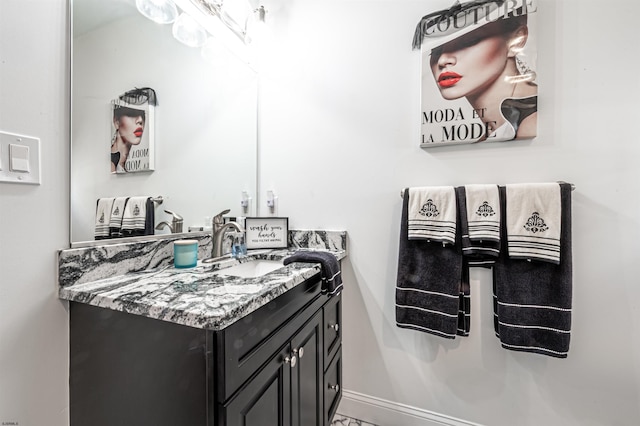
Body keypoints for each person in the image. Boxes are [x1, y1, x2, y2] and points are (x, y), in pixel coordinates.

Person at [419, 1, 537, 142]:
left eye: (468, 42)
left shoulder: (533, 123)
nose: (443, 60)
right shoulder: (489, 137)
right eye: (436, 50)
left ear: (517, 41)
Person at [110, 105, 146, 173]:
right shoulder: (110, 165)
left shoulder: (122, 166)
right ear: (116, 122)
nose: (140, 120)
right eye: (132, 114)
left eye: (142, 114)